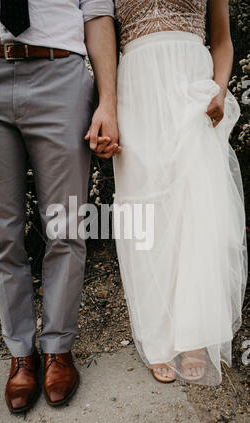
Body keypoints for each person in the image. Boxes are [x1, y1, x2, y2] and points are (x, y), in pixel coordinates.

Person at [0, 0, 121, 412]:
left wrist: (108, 102)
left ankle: (58, 348)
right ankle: (21, 354)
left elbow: (97, 14)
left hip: (59, 74)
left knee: (66, 227)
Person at [106, 0, 247, 385]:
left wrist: (219, 89)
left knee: (196, 203)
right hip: (135, 83)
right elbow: (100, 32)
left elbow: (222, 40)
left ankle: (194, 332)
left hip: (192, 84)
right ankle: (158, 332)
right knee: (146, 206)